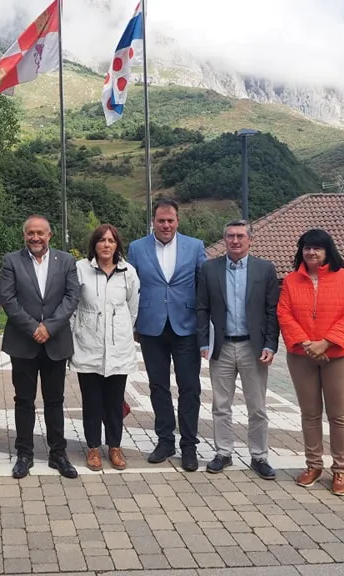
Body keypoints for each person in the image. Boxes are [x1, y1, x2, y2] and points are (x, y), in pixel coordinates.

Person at [277, 229, 344, 496]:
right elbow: (284, 313)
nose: (311, 252)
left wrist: (325, 343)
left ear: (327, 251)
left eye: (317, 248)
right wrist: (306, 344)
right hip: (302, 357)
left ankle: (340, 469)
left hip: (338, 356)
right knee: (310, 414)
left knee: (338, 415)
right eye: (306, 248)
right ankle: (313, 465)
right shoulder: (291, 281)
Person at [127, 198, 207, 471]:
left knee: (190, 387)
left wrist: (204, 325)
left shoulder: (195, 246)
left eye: (170, 220)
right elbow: (131, 287)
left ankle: (188, 445)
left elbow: (203, 286)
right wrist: (133, 324)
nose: (165, 225)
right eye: (160, 220)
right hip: (151, 328)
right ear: (153, 221)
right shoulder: (137, 248)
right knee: (158, 386)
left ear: (177, 221)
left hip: (186, 327)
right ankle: (165, 440)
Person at [196, 220, 280, 480]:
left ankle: (259, 456)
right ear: (224, 239)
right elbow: (202, 308)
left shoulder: (265, 269)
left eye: (240, 236)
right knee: (221, 405)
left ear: (250, 240)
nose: (235, 240)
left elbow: (271, 311)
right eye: (230, 236)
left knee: (257, 406)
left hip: (253, 347)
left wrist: (270, 344)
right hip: (220, 347)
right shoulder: (209, 269)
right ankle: (223, 452)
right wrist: (203, 342)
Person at [0, 214, 81, 479]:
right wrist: (34, 327)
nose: (35, 237)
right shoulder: (11, 261)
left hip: (55, 342)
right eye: (30, 233)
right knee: (23, 400)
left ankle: (58, 453)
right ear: (24, 235)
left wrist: (50, 327)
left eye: (40, 233)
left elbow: (71, 298)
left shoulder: (67, 261)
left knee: (55, 400)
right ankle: (24, 453)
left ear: (50, 235)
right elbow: (8, 299)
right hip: (23, 342)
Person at [70, 224, 140, 472]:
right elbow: (73, 305)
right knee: (91, 401)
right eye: (102, 240)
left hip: (118, 348)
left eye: (111, 241)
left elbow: (132, 309)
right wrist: (77, 332)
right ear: (94, 244)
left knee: (113, 401)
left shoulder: (128, 272)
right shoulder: (81, 269)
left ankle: (114, 447)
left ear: (117, 244)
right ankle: (92, 448)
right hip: (88, 345)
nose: (106, 245)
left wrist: (119, 330)